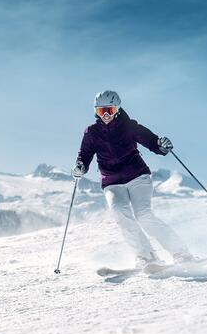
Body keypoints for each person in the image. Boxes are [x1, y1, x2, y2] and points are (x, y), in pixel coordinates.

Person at [72, 90, 194, 268]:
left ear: (118, 110)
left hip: (138, 177)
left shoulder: (129, 126)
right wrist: (80, 166)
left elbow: (152, 142)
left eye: (110, 110)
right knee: (120, 214)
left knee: (143, 215)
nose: (106, 115)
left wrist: (161, 145)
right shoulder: (91, 132)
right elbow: (84, 155)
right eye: (101, 111)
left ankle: (182, 253)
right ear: (95, 112)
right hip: (112, 182)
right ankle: (147, 256)